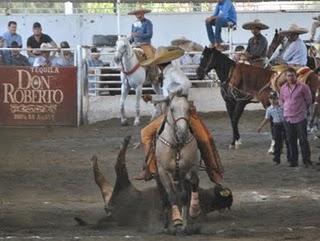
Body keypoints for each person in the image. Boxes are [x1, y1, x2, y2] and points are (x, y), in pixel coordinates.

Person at [135, 46, 224, 184]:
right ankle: (151, 169)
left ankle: (151, 169)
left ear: (158, 64)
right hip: (172, 111)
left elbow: (186, 84)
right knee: (204, 138)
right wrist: (153, 98)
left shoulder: (174, 72)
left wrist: (173, 93)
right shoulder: (167, 73)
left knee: (145, 134)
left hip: (180, 110)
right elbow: (167, 97)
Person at [280, 68, 313, 167]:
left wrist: (302, 110)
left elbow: (309, 100)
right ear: (286, 77)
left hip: (300, 117)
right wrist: (285, 108)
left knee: (303, 139)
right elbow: (281, 100)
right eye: (288, 75)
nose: (290, 77)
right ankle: (293, 160)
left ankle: (306, 160)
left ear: (296, 76)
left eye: (292, 75)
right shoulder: (283, 88)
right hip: (287, 117)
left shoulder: (303, 87)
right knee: (291, 139)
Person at [257, 91, 289, 164]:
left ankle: (290, 157)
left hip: (284, 124)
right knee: (277, 143)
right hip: (276, 125)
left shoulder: (283, 106)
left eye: (274, 99)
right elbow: (267, 119)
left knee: (288, 141)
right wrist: (260, 126)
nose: (272, 101)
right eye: (271, 99)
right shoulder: (269, 109)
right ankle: (276, 159)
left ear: (277, 99)